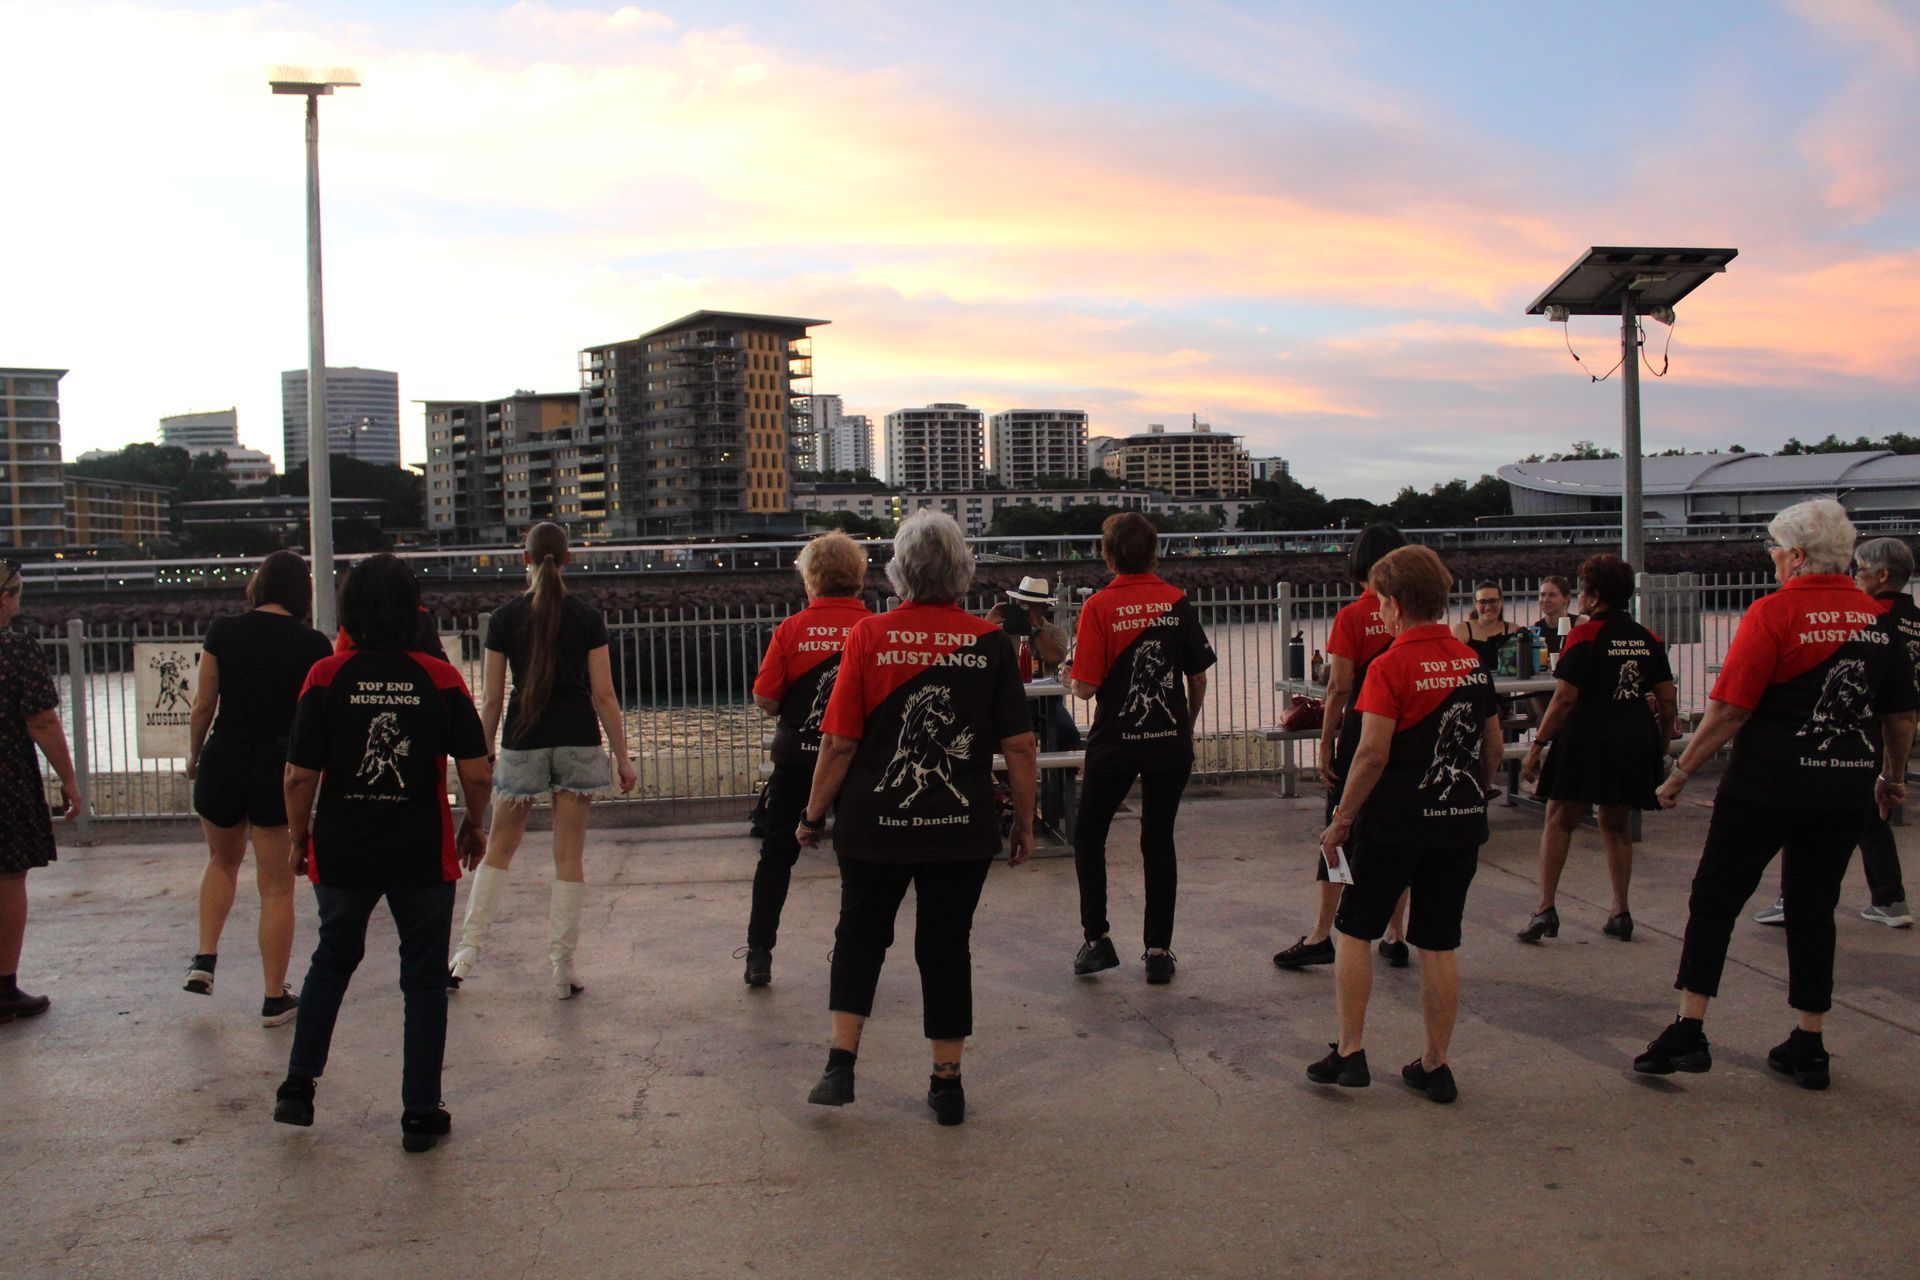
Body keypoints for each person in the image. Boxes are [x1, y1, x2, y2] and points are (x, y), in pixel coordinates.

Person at [1637, 500, 1915, 1091]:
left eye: (1771, 546)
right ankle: (1810, 1041)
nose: (1768, 555)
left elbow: (1731, 708)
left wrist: (1682, 770)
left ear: (1795, 555)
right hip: (1843, 789)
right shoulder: (1877, 618)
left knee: (1716, 899)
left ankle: (1690, 1027)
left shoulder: (1772, 613)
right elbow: (1899, 715)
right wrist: (1892, 776)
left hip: (1765, 786)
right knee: (1814, 909)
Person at [794, 510, 1037, 1126]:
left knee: (859, 937)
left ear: (899, 571)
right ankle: (947, 1082)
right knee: (947, 947)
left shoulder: (869, 637)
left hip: (872, 827)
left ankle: (841, 1064)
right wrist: (1027, 822)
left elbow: (839, 743)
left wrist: (813, 814)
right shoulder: (990, 644)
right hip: (960, 832)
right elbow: (1019, 747)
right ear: (963, 571)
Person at [273, 554, 493, 1151]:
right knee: (422, 980)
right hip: (421, 849)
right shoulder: (440, 678)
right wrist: (475, 824)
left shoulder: (325, 676)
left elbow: (298, 776)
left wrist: (300, 838)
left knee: (332, 960)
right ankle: (420, 1112)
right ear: (411, 609)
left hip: (343, 849)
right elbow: (475, 769)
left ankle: (298, 1086)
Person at [1310, 546, 1501, 1103]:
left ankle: (1350, 1051)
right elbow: (1491, 745)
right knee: (1440, 942)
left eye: (1381, 603)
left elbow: (1370, 754)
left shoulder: (1388, 666)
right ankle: (1435, 1064)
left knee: (1354, 930)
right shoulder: (1470, 660)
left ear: (1394, 604)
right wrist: (1478, 794)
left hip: (1393, 823)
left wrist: (1341, 821)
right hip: (1458, 822)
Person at [448, 522, 636, 998]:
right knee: (569, 858)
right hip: (577, 741)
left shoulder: (503, 619)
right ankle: (561, 967)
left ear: (524, 559)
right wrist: (623, 758)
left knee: (499, 851)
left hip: (522, 740)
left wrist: (484, 755)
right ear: (568, 559)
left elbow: (490, 701)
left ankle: (465, 956)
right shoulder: (588, 618)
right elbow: (604, 694)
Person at [182, 551, 333, 1025]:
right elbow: (317, 722)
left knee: (221, 861)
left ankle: (205, 957)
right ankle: (273, 997)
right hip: (275, 766)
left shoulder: (223, 631)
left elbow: (204, 703)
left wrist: (194, 753)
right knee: (276, 887)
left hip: (224, 757)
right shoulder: (313, 645)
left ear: (259, 585)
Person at [1066, 513, 1215, 983]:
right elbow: (1198, 677)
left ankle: (1097, 939)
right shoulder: (1176, 602)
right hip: (1168, 741)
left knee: (1089, 834)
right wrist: (1184, 725)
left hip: (1115, 744)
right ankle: (1157, 950)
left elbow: (1085, 689)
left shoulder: (1098, 607)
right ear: (1155, 553)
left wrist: (1071, 671)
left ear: (1107, 555)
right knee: (1158, 840)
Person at [1753, 536, 1914, 929]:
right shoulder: (1914, 617)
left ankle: (1796, 897)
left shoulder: (1871, 615)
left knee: (1808, 810)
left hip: (1858, 725)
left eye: (1860, 571)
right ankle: (1889, 899)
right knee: (1867, 813)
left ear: (1883, 575)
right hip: (1895, 724)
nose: (1856, 578)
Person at [1517, 555, 1677, 943]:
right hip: (1635, 735)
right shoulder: (1647, 637)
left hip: (1588, 735)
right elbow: (1666, 698)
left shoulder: (1584, 636)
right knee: (1616, 825)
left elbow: (1565, 699)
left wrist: (1537, 744)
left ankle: (1545, 908)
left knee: (1559, 818)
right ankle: (1620, 910)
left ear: (1592, 595)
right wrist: (1664, 742)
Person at [1275, 523, 1413, 972]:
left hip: (1362, 730)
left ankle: (1320, 934)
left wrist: (1326, 742)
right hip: (1406, 733)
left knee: (1338, 830)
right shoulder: (1413, 616)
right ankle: (1396, 934)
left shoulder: (1352, 617)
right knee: (1396, 834)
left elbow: (1338, 686)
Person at [743, 531, 871, 986]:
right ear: (858, 577)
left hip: (797, 760)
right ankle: (851, 954)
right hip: (856, 762)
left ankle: (760, 952)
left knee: (776, 857)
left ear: (811, 579)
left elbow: (766, 699)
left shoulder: (791, 631)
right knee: (856, 862)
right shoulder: (874, 628)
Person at [0, 559, 86, 1025]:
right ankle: (3, 988)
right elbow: (42, 720)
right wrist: (70, 781)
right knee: (8, 879)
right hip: (6, 779)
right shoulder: (15, 651)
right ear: (5, 598)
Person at [1453, 581, 1522, 674]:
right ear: (1475, 605)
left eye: (1493, 601)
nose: (1488, 607)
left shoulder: (1513, 630)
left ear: (1501, 602)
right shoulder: (1461, 631)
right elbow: (1455, 665)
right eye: (1482, 602)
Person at [1534, 575, 1579, 660]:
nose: (1546, 599)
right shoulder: (1535, 630)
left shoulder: (1579, 624)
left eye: (1552, 595)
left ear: (1566, 599)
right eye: (1542, 595)